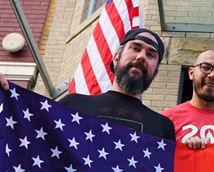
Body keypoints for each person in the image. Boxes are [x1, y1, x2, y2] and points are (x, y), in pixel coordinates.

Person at [0, 29, 176, 140]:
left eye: (151, 55)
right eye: (135, 48)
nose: (141, 57)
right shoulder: (72, 105)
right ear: (116, 58)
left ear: (156, 73)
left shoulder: (164, 127)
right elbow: (22, 134)